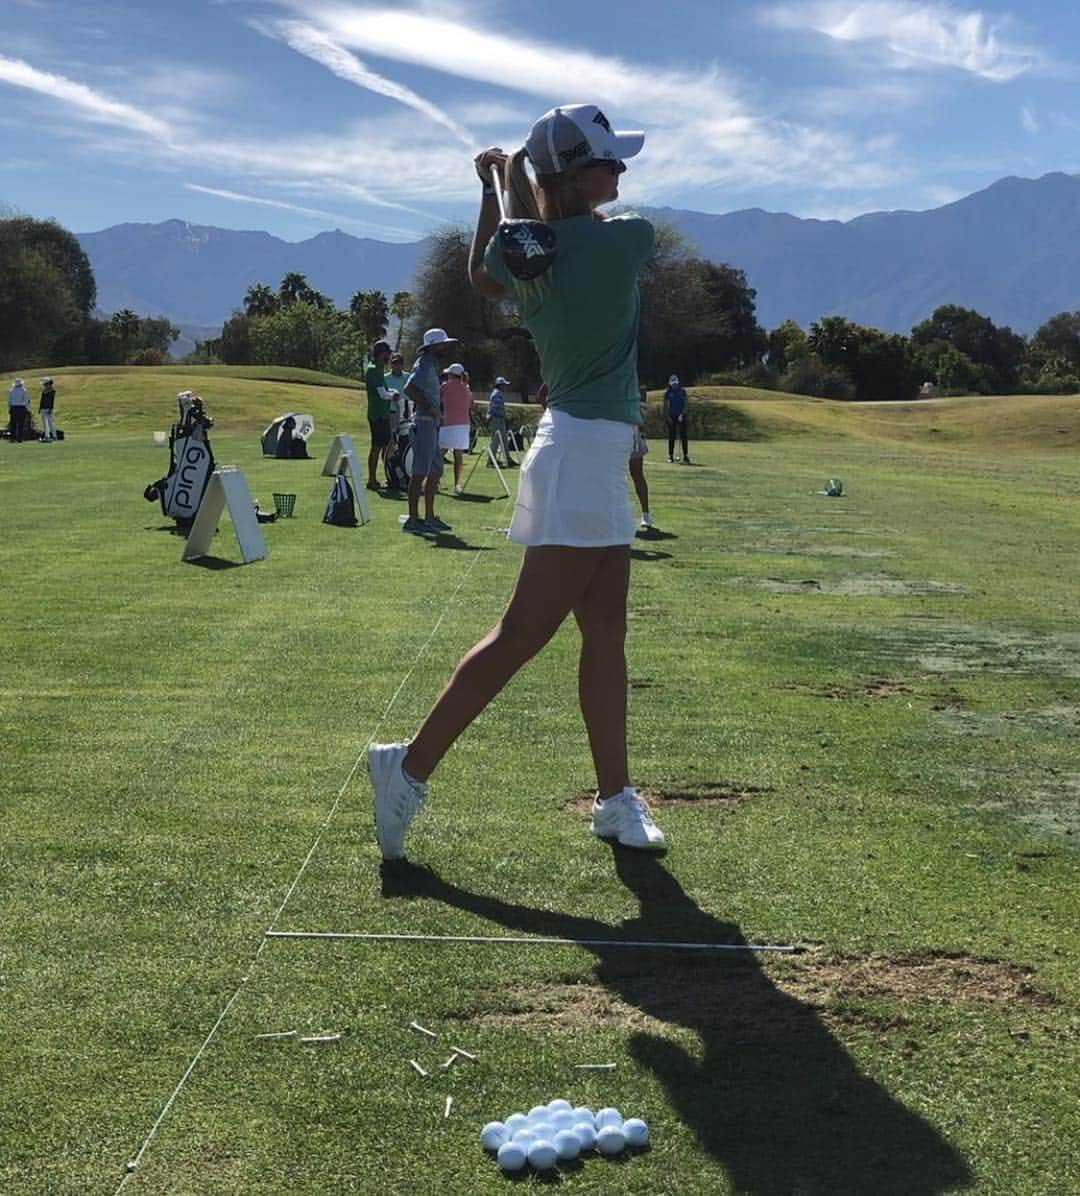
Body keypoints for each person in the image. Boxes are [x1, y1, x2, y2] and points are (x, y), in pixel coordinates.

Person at [369, 102, 666, 860]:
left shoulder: (526, 255)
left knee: (606, 632)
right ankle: (406, 768)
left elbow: (485, 269)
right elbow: (527, 248)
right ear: (572, 171)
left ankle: (614, 799)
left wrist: (496, 184)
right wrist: (508, 182)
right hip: (580, 453)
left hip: (586, 449)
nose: (622, 172)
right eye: (608, 160)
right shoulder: (627, 240)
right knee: (522, 633)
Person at [402, 327, 456, 534]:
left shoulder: (431, 364)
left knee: (436, 470)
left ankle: (430, 517)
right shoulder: (424, 364)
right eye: (443, 343)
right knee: (420, 472)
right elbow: (409, 388)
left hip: (431, 424)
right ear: (434, 345)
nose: (446, 346)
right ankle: (413, 520)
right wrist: (430, 407)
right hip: (423, 422)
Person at [364, 340, 395, 490]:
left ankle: (389, 477)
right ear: (381, 354)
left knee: (385, 447)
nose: (389, 356)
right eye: (387, 353)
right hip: (377, 414)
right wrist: (394, 395)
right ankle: (372, 479)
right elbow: (382, 394)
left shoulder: (379, 368)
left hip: (383, 413)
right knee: (376, 447)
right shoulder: (373, 369)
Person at [439, 362, 473, 494]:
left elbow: (438, 399)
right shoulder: (467, 388)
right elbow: (470, 404)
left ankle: (435, 481)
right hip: (463, 425)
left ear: (452, 375)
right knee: (458, 455)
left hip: (447, 423)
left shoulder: (444, 386)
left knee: (440, 454)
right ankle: (457, 484)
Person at [629, 399, 653, 529]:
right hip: (612, 437)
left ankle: (646, 514)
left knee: (637, 475)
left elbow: (641, 416)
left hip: (632, 435)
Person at [486, 376, 516, 467]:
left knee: (504, 440)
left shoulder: (498, 393)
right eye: (504, 385)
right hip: (496, 419)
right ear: (500, 385)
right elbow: (494, 409)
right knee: (496, 441)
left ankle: (508, 459)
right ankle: (491, 460)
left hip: (500, 419)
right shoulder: (497, 394)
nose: (505, 387)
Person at [663, 374, 690, 463]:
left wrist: (682, 414)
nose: (674, 385)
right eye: (673, 384)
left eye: (675, 384)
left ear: (678, 383)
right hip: (672, 416)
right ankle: (670, 456)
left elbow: (686, 404)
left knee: (683, 437)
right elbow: (665, 406)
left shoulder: (682, 391)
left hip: (681, 416)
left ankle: (685, 456)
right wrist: (667, 417)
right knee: (672, 437)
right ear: (670, 384)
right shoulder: (668, 392)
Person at [386, 352, 410, 434]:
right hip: (390, 412)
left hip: (405, 413)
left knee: (405, 439)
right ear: (391, 364)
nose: (397, 366)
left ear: (402, 364)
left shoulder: (408, 377)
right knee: (391, 438)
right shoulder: (385, 378)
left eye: (399, 363)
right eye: (394, 363)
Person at [7, 378, 31, 442]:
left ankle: (12, 438)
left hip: (13, 408)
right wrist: (28, 409)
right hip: (21, 408)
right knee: (21, 424)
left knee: (13, 424)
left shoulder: (11, 390)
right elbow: (26, 400)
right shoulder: (24, 390)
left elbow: (9, 401)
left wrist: (9, 408)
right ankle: (19, 438)